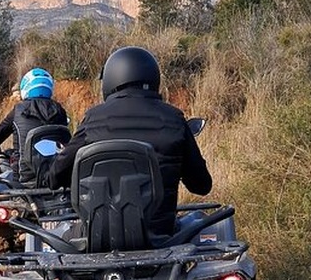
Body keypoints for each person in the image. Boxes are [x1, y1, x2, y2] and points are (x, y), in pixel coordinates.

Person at [46, 46, 212, 236]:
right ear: (153, 77)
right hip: (161, 235)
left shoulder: (94, 119)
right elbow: (202, 186)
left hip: (99, 237)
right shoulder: (174, 119)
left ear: (111, 80)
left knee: (57, 237)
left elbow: (55, 176)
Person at [0, 68, 68, 183]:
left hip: (24, 179)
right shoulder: (60, 111)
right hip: (56, 178)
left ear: (26, 88)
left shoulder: (19, 110)